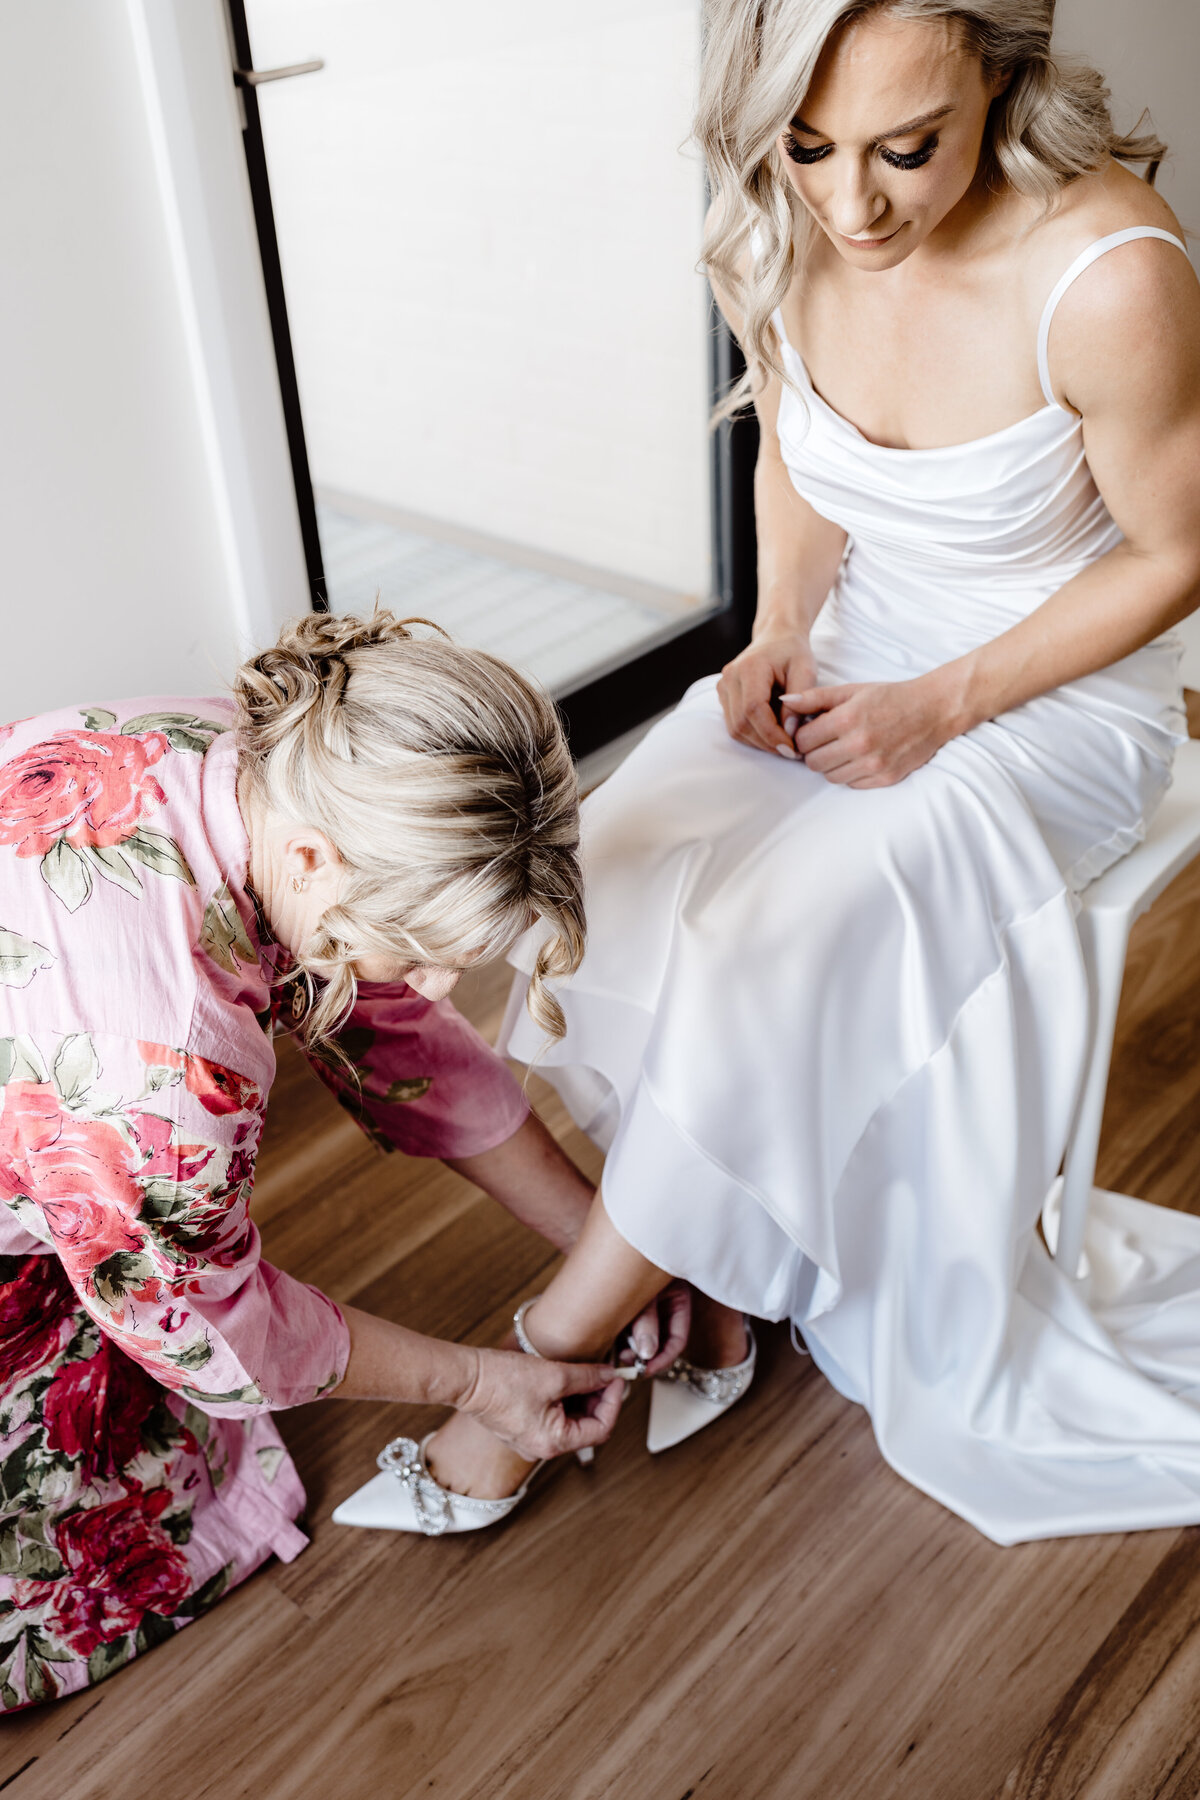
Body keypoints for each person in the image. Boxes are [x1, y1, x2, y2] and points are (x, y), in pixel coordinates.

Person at [393, 0, 1200, 1544]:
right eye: (808, 147)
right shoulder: (792, 221)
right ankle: (697, 1265)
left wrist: (943, 705)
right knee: (613, 867)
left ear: (1000, 72)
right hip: (857, 645)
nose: (850, 205)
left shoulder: (1111, 276)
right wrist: (775, 628)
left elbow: (1176, 555)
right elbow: (797, 445)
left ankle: (546, 1357)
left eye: (909, 148)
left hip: (1046, 697)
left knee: (775, 945)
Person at [0, 608, 678, 1709]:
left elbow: (399, 1035)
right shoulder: (163, 1076)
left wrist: (593, 1235)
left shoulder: (263, 755)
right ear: (319, 860)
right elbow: (216, 1333)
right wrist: (477, 1381)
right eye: (418, 949)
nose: (440, 985)